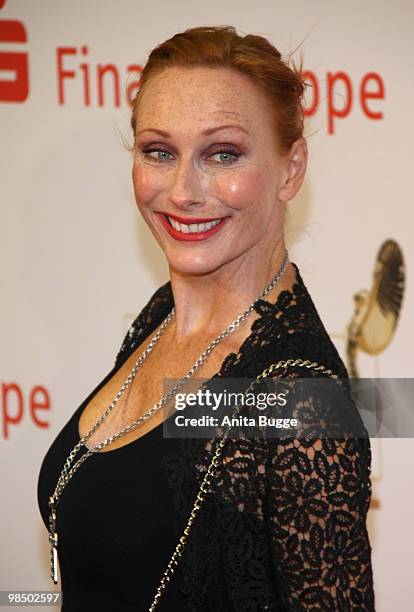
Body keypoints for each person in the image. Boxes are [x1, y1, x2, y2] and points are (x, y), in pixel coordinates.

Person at [37, 25, 375, 611]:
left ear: (291, 170)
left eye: (223, 154)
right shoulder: (161, 319)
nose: (183, 191)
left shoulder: (297, 400)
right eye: (159, 152)